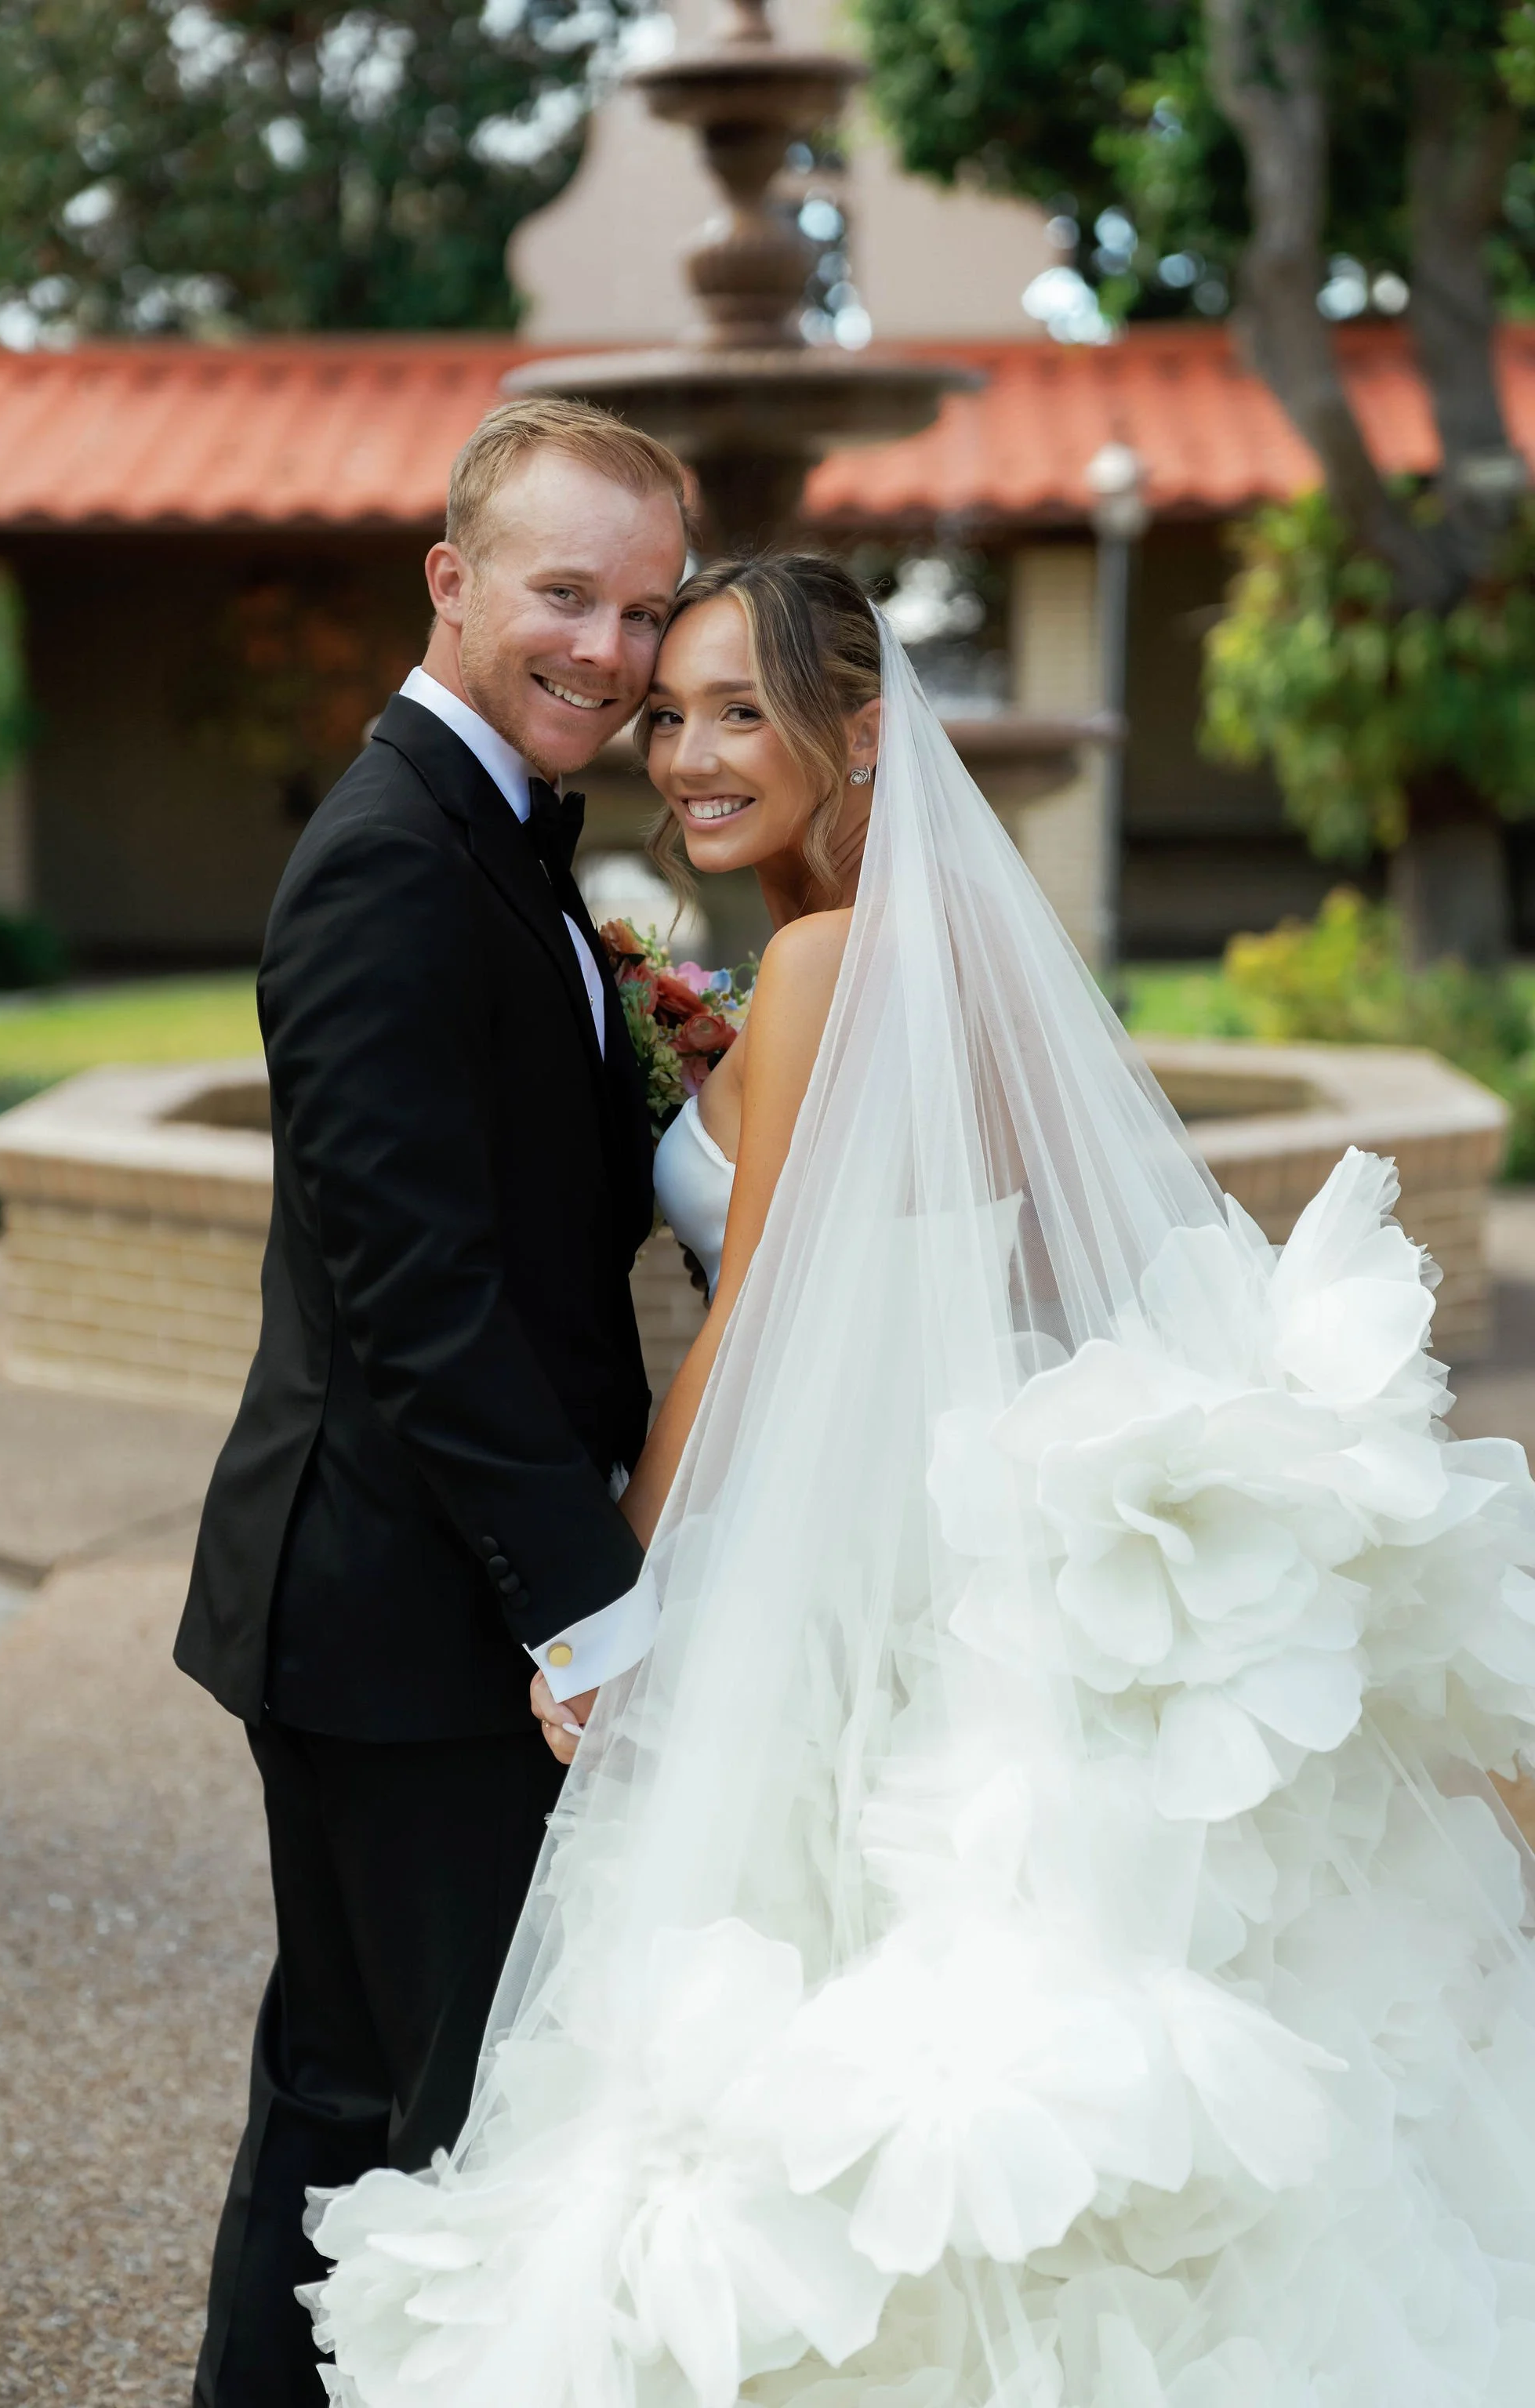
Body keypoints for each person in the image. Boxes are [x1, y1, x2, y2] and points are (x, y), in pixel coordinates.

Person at [310, 555, 1535, 2406]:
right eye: (673, 713)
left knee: (783, 2011)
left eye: (743, 711)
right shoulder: (933, 946)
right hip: (947, 1524)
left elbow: (762, 1313)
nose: (693, 755)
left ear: (861, 733)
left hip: (822, 1548)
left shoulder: (815, 961)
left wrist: (611, 1592)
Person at [173, 398, 689, 2407]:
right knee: (451, 2121)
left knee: (342, 2090)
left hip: (396, 1591)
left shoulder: (498, 836)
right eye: (568, 595)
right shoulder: (389, 863)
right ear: (452, 582)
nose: (613, 653)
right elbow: (420, 1298)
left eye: (645, 611)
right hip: (407, 1609)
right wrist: (593, 1602)